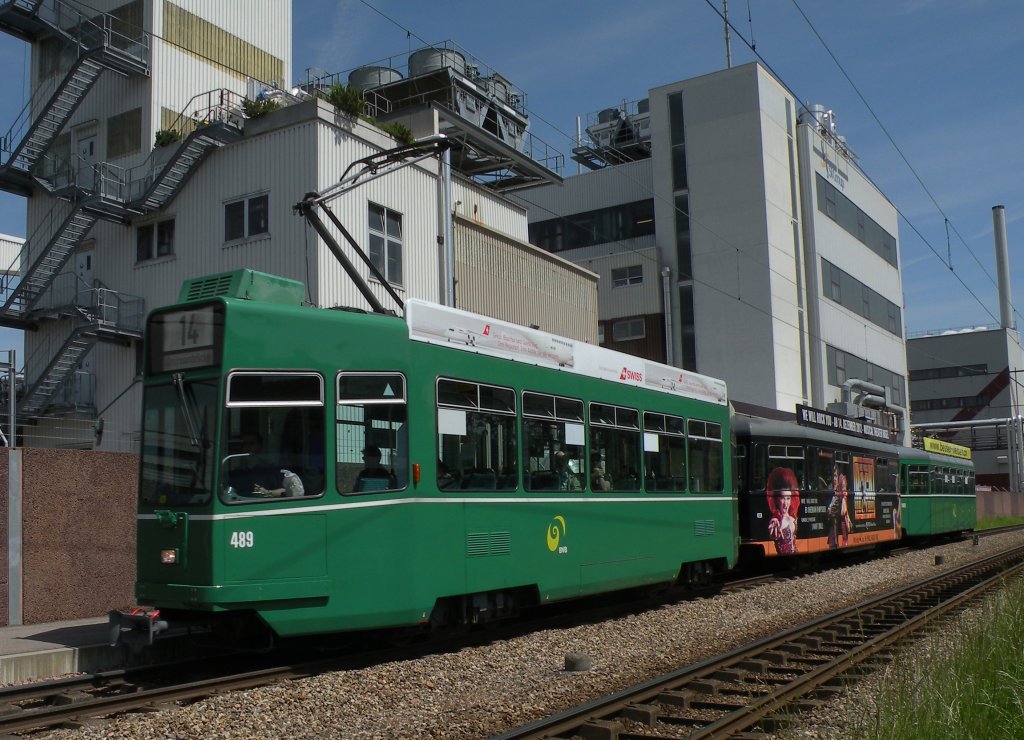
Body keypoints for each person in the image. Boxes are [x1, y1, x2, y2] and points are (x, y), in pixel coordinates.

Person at [766, 467, 799, 555]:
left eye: (788, 498)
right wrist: (774, 522)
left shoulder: (792, 517)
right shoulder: (775, 521)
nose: (785, 503)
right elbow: (772, 533)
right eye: (782, 498)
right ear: (777, 500)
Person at [826, 464, 852, 548]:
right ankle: (833, 541)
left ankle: (843, 541)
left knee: (842, 520)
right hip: (836, 506)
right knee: (833, 518)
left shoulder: (841, 479)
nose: (834, 477)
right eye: (833, 475)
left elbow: (844, 492)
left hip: (840, 504)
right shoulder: (834, 483)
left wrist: (843, 503)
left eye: (834, 474)